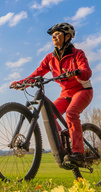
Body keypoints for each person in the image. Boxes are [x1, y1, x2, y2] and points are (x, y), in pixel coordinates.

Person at [10, 22, 93, 166]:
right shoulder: (50, 58)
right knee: (50, 114)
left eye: (57, 34)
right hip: (66, 94)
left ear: (67, 37)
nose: (54, 37)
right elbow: (37, 74)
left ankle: (79, 153)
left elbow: (87, 72)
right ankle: (62, 147)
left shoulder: (77, 54)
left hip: (82, 90)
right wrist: (22, 82)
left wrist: (77, 71)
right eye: (52, 35)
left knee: (72, 113)